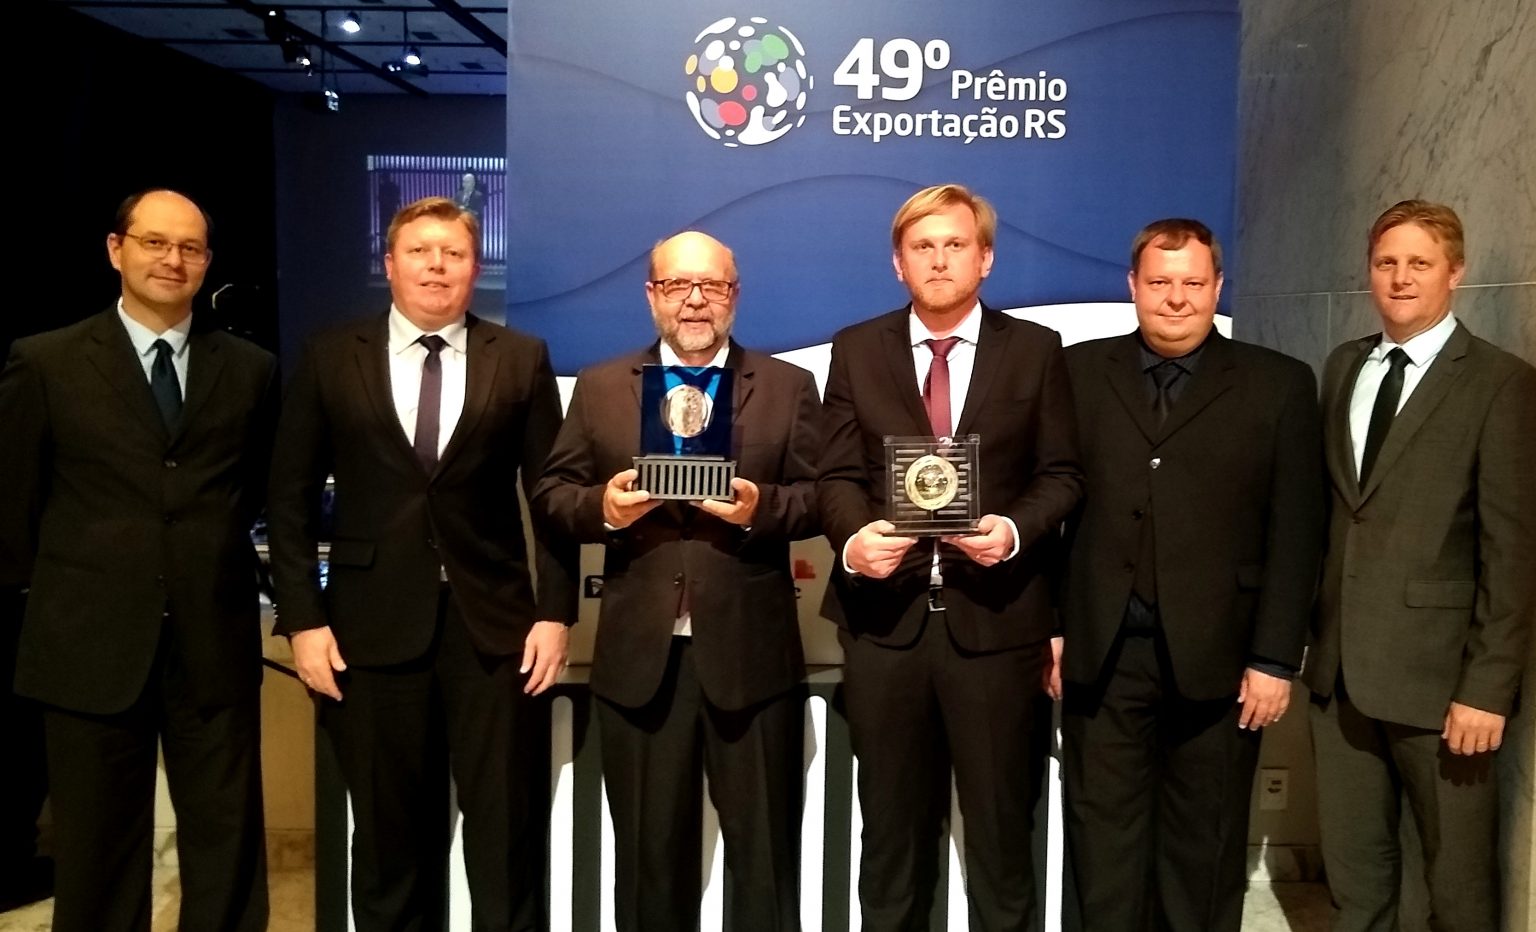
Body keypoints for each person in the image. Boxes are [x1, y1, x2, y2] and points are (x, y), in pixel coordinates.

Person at [266, 195, 576, 931]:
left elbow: (553, 497)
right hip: (367, 632)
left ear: (475, 267)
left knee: (505, 834)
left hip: (495, 632)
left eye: (454, 253)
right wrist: (302, 620)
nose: (437, 266)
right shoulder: (330, 354)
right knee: (386, 840)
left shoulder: (521, 358)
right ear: (389, 264)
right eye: (420, 252)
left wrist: (555, 612)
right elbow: (289, 497)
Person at [0, 189, 277, 931]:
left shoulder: (250, 369)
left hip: (212, 642)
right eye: (155, 242)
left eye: (189, 247)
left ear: (207, 262)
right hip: (86, 644)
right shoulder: (46, 361)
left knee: (227, 846)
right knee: (96, 852)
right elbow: (14, 504)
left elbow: (250, 492)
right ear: (116, 249)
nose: (172, 260)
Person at [532, 231, 820, 932]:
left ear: (734, 295)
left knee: (765, 864)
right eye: (676, 285)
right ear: (651, 295)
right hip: (640, 664)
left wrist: (759, 509)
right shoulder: (601, 386)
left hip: (752, 662)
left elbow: (823, 496)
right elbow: (552, 495)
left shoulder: (787, 386)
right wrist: (604, 507)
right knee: (648, 866)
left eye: (712, 285)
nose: (695, 300)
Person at [817, 184, 1083, 931]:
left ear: (985, 258)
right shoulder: (855, 348)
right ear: (898, 263)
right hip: (885, 626)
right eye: (922, 246)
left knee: (1001, 841)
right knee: (890, 841)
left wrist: (1013, 530)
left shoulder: (1034, 350)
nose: (939, 260)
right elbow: (834, 476)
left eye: (955, 244)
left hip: (998, 625)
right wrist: (853, 540)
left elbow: (1062, 474)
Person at [1050, 218, 1326, 931]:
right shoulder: (1075, 373)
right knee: (1101, 850)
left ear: (1218, 286)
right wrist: (1050, 629)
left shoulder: (1280, 384)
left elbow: (1297, 533)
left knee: (1203, 854)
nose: (1177, 298)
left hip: (1224, 663)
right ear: (1132, 285)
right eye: (1160, 282)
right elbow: (1049, 509)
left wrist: (1275, 659)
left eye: (1194, 283)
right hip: (1102, 657)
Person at [1305, 200, 1536, 932]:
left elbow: (1513, 554)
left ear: (1455, 272)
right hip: (1340, 677)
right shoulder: (1344, 365)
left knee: (1455, 885)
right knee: (1356, 880)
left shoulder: (1501, 383)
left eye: (1419, 263)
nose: (1400, 278)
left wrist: (1487, 689)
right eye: (1386, 262)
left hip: (1443, 689)